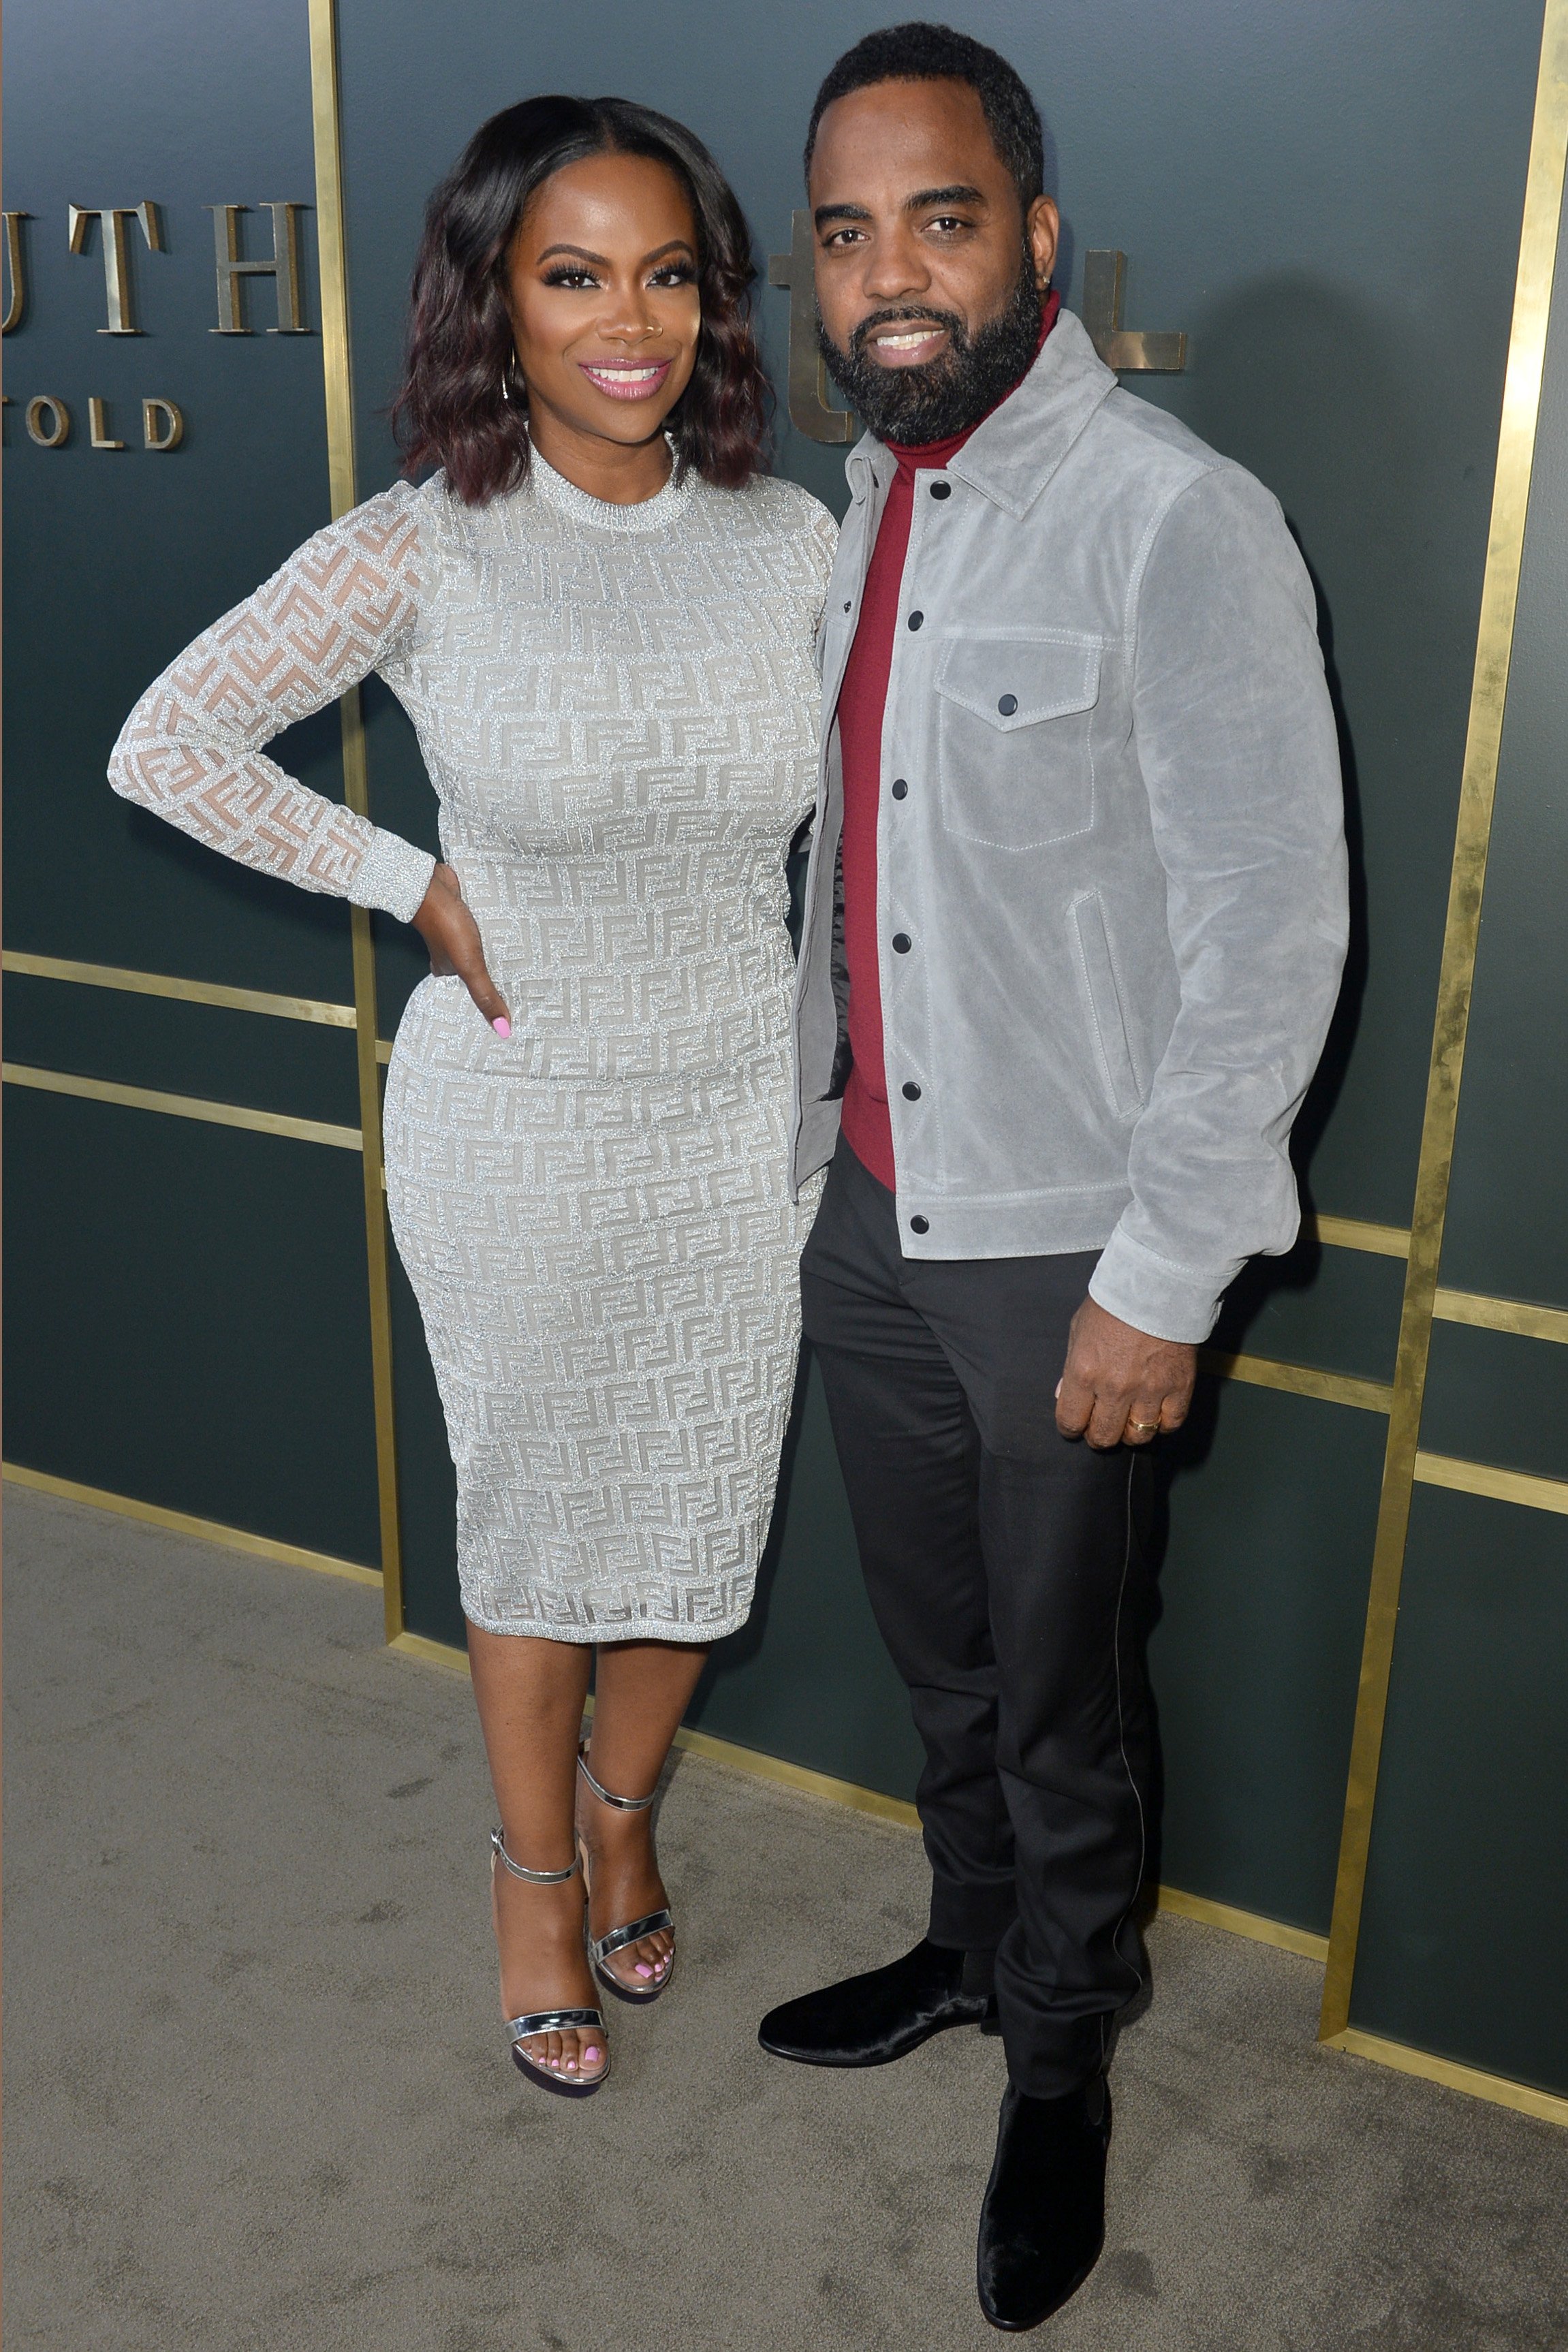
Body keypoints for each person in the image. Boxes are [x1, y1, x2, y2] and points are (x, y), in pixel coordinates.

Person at [110, 96, 836, 2101]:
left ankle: (625, 1812)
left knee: (699, 1525)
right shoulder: (427, 536)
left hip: (731, 1122)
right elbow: (168, 740)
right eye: (575, 275)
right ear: (496, 301)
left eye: (670, 274)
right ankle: (534, 1875)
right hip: (513, 1126)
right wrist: (402, 880)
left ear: (716, 299)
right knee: (532, 1529)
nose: (632, 322)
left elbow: (876, 820)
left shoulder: (797, 539)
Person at [759, 22, 1347, 2332]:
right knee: (943, 1665)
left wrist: (1164, 1272)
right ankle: (971, 1939)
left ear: (1038, 240)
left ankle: (1068, 2047)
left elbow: (1273, 926)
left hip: (1064, 1257)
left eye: (940, 217)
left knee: (1066, 1687)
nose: (891, 273)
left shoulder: (1175, 517)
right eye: (844, 231)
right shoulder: (861, 514)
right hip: (873, 1226)